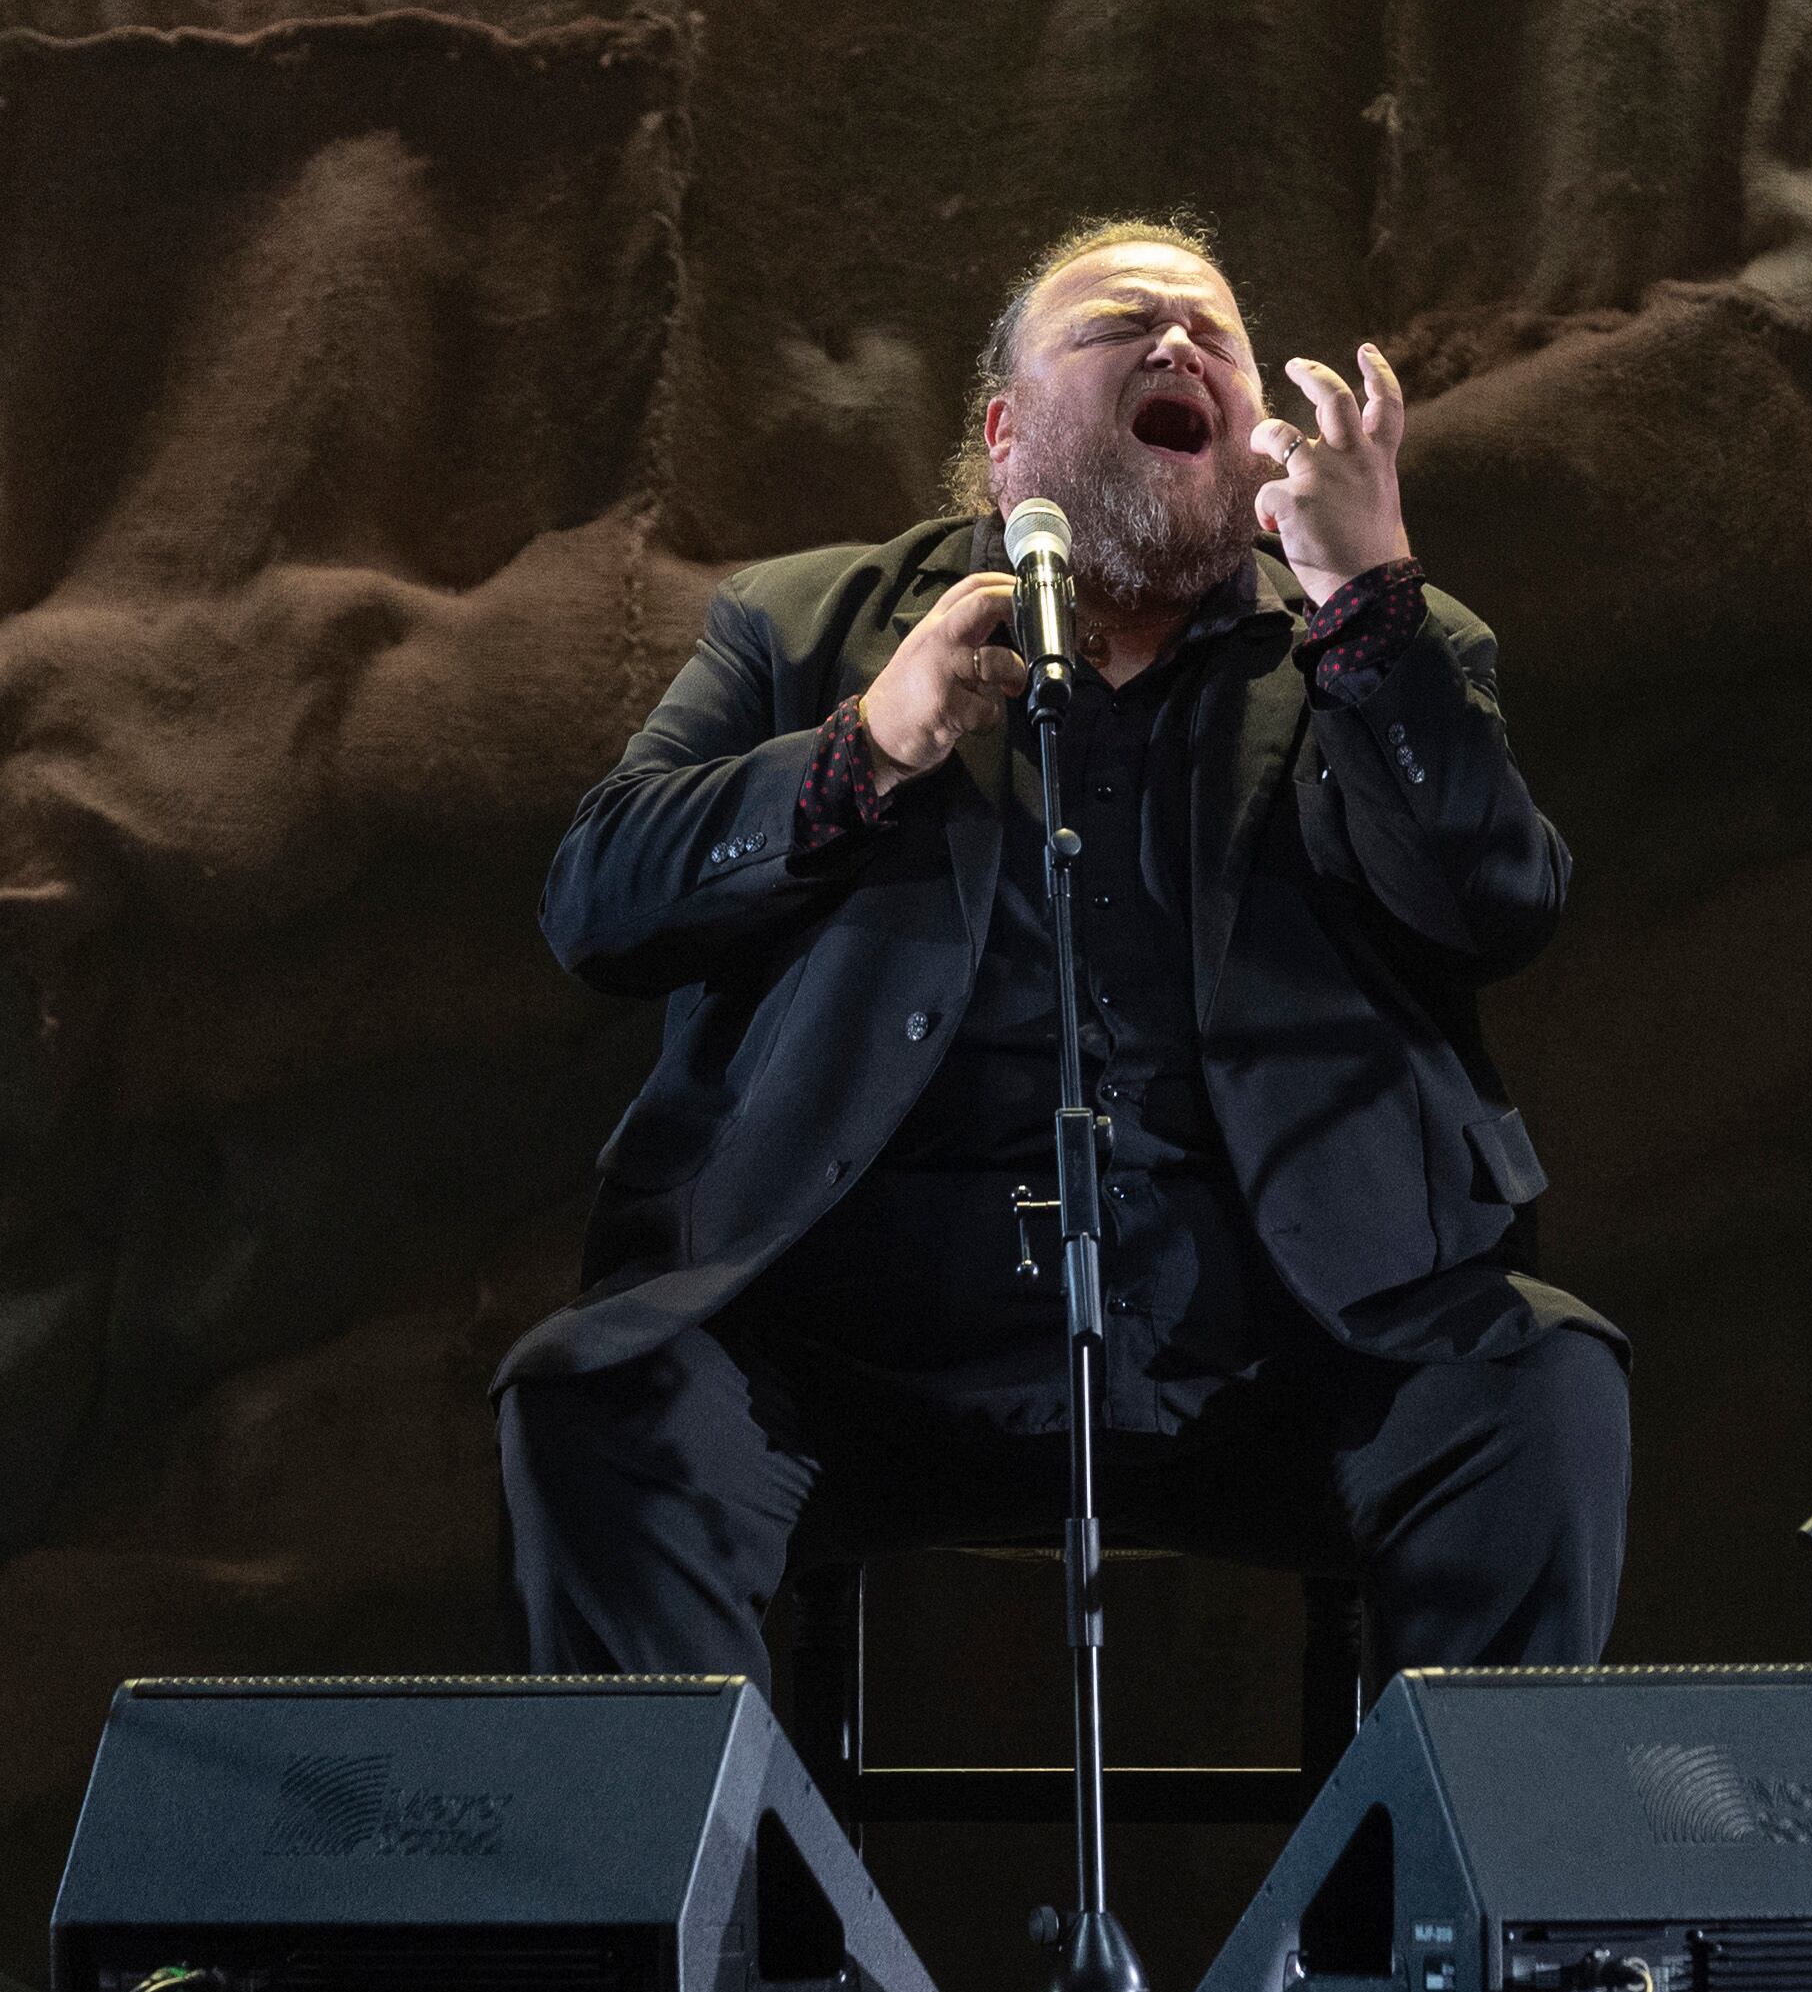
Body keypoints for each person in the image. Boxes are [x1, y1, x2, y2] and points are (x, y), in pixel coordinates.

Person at [496, 214, 1629, 1709]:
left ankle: (1410, 1941)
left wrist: (1369, 612)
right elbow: (600, 906)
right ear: (1005, 429)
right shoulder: (803, 626)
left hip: (1287, 1355)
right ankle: (730, 1941)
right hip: (851, 1364)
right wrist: (861, 749)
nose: (1174, 341)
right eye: (1117, 321)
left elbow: (1497, 905)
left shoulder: (1384, 645)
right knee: (596, 1399)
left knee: (1539, 1392)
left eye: (1210, 331)